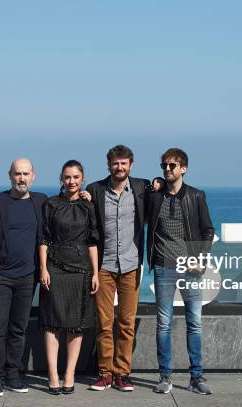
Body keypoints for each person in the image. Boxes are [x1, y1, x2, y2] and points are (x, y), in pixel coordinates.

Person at [0, 158, 47, 397]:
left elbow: (64, 208)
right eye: (17, 174)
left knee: (19, 328)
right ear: (10, 175)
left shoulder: (40, 201)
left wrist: (85, 197)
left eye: (26, 174)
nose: (21, 178)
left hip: (28, 277)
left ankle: (12, 374)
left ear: (33, 176)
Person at [147, 148, 215, 395]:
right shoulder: (155, 197)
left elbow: (208, 230)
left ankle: (196, 377)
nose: (167, 169)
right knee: (163, 323)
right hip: (164, 266)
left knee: (194, 322)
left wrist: (201, 258)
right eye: (163, 165)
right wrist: (152, 184)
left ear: (183, 168)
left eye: (172, 166)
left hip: (190, 267)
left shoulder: (196, 196)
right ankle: (165, 377)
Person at [85, 145, 152, 392]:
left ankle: (123, 374)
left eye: (123, 163)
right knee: (104, 322)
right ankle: (105, 373)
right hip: (104, 266)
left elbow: (163, 188)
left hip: (132, 265)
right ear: (108, 165)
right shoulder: (95, 189)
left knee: (126, 323)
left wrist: (157, 181)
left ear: (131, 165)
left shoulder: (142, 188)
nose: (119, 167)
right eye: (115, 163)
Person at [39, 160, 100, 395]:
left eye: (75, 177)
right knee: (51, 324)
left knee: (77, 326)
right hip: (54, 267)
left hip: (82, 269)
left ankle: (70, 374)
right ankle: (53, 375)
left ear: (82, 178)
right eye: (67, 177)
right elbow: (43, 239)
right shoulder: (51, 204)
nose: (71, 181)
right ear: (61, 179)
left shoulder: (88, 206)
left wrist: (95, 272)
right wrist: (43, 268)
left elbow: (92, 241)